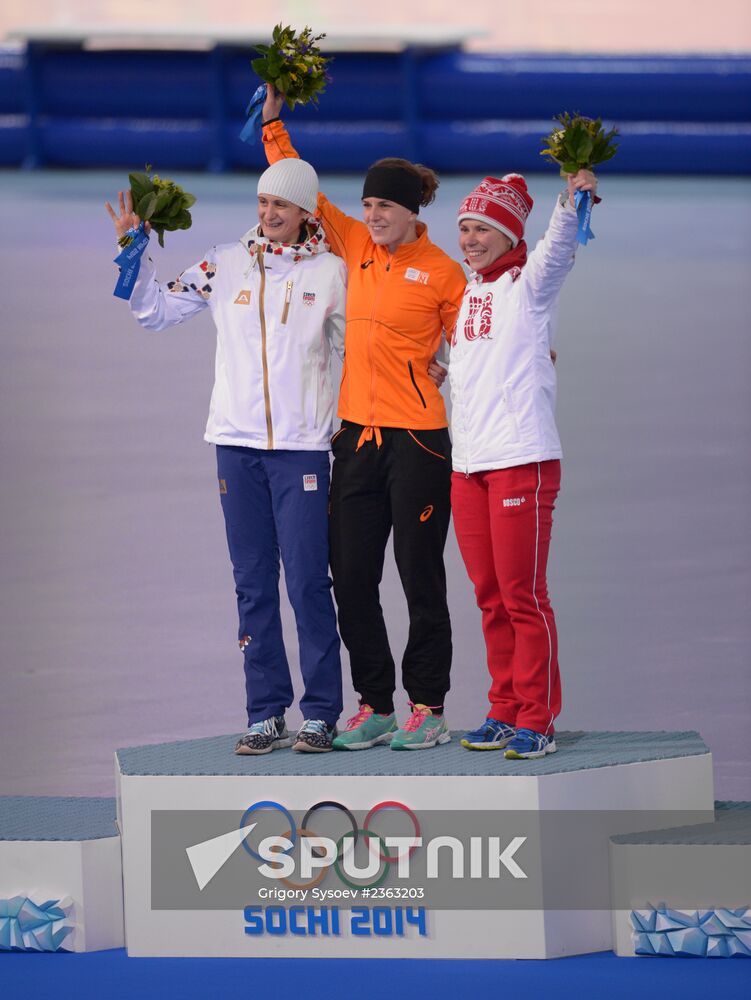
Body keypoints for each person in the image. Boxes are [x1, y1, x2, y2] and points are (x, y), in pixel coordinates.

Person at [105, 157, 347, 753]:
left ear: (306, 212)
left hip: (301, 451)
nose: (269, 215)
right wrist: (135, 256)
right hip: (235, 448)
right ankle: (265, 710)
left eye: (282, 207)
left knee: (308, 584)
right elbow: (157, 312)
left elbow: (368, 342)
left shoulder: (334, 274)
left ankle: (321, 710)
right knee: (253, 584)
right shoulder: (224, 263)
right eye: (264, 203)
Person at [261, 87, 467, 750]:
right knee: (349, 577)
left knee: (419, 574)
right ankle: (374, 703)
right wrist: (272, 125)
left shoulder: (443, 273)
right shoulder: (353, 244)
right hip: (354, 439)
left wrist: (449, 365)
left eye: (385, 206)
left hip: (418, 443)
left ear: (411, 213)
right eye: (369, 205)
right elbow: (303, 191)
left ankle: (427, 707)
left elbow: (474, 341)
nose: (372, 215)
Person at [449, 169, 599, 760]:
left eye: (483, 228)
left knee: (522, 595)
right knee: (489, 595)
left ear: (510, 234)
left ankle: (538, 717)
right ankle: (505, 708)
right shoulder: (468, 298)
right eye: (464, 227)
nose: (470, 238)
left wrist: (570, 201)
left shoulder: (527, 287)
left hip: (521, 462)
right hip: (469, 468)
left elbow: (558, 250)